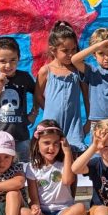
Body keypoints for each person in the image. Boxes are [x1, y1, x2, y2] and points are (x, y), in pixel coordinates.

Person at [15, 121, 88, 215]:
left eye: (56, 143)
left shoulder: (66, 162)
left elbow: (67, 181)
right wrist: (35, 209)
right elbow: (34, 199)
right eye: (46, 143)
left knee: (80, 208)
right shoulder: (32, 167)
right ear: (37, 143)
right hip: (43, 214)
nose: (52, 148)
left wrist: (68, 152)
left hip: (64, 211)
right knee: (21, 213)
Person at [36, 21, 89, 156]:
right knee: (52, 155)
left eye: (73, 50)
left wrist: (89, 121)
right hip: (51, 126)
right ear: (53, 50)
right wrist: (49, 110)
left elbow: (87, 97)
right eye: (65, 51)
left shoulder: (78, 71)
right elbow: (38, 96)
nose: (70, 54)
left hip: (73, 126)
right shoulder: (45, 71)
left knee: (74, 157)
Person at [0, 37, 37, 163]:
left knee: (22, 168)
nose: (8, 65)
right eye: (3, 61)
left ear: (19, 58)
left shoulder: (24, 77)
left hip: (21, 136)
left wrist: (34, 112)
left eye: (13, 60)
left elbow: (37, 93)